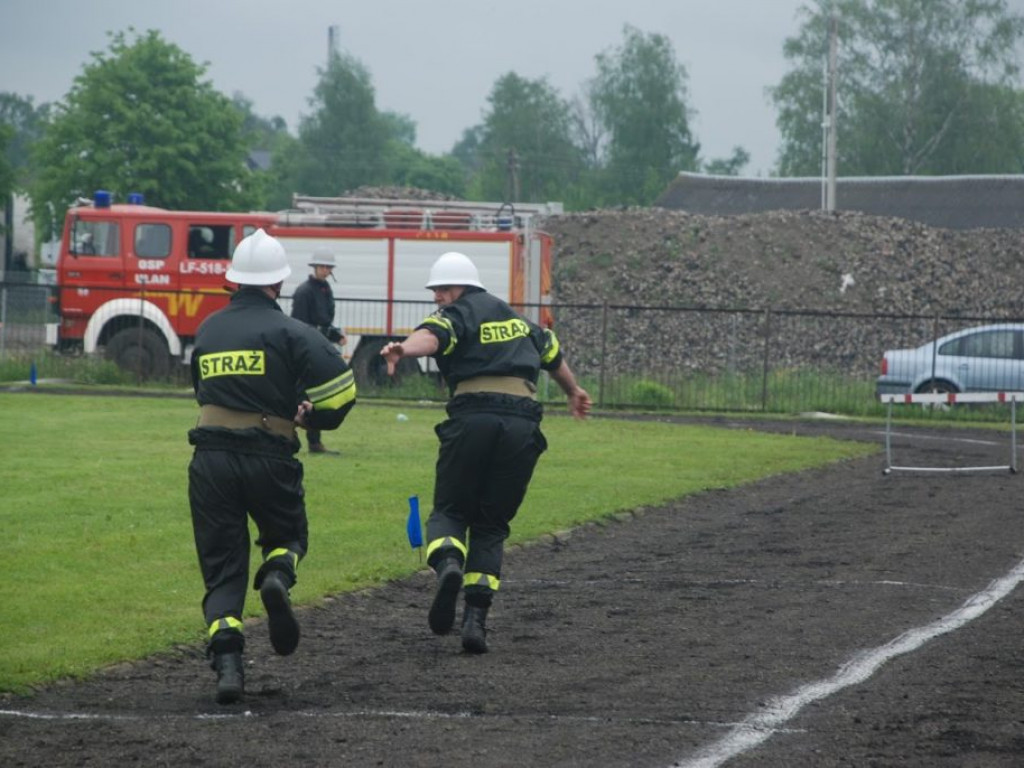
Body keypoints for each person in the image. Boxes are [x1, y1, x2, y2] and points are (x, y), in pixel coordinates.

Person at [380, 251, 591, 654]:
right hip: (523, 423)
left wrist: (403, 350)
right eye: (436, 290)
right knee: (492, 525)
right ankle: (475, 621)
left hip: (473, 416)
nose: (439, 296)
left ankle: (448, 567)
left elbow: (433, 336)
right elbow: (554, 356)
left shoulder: (458, 314)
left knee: (450, 512)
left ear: (465, 288)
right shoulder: (518, 321)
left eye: (444, 288)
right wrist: (573, 392)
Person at [188, 229, 357, 704]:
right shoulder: (292, 332)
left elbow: (201, 391)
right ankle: (278, 576)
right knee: (287, 537)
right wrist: (315, 416)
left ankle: (227, 662)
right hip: (269, 453)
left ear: (233, 281)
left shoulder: (208, 331)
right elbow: (343, 391)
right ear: (278, 283)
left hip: (210, 459)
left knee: (222, 567)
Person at [291, 249, 346, 454]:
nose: (326, 270)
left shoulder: (325, 289)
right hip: (305, 348)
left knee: (315, 396)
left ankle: (314, 441)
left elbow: (324, 322)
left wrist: (335, 334)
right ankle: (299, 437)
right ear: (314, 267)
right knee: (301, 395)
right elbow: (300, 324)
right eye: (323, 266)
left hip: (318, 345)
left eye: (328, 267)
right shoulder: (304, 291)